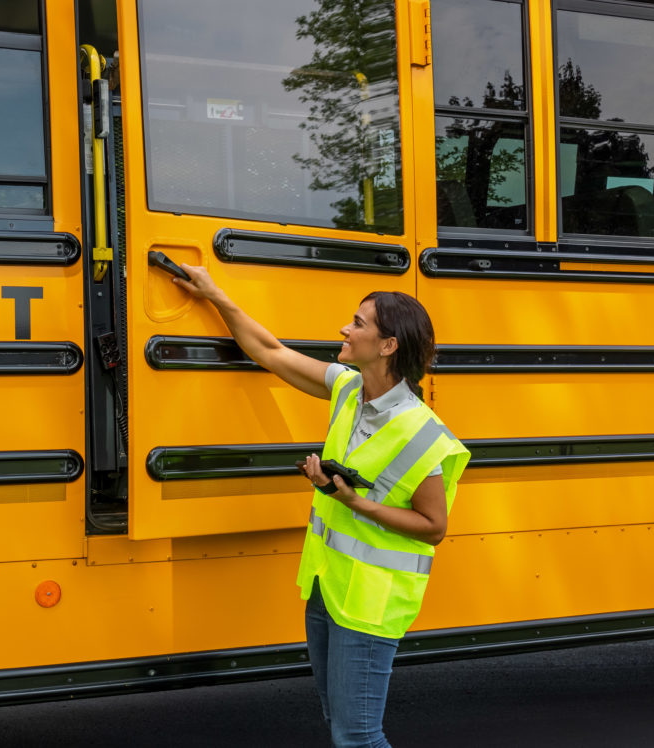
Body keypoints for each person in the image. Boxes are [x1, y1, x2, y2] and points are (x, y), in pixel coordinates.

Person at [173, 266, 469, 748]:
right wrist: (214, 295)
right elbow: (270, 352)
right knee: (341, 726)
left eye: (358, 323)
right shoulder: (350, 390)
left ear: (387, 345)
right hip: (327, 586)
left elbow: (434, 527)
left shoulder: (424, 435)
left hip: (370, 604)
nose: (344, 330)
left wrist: (351, 500)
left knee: (358, 736)